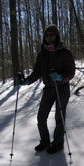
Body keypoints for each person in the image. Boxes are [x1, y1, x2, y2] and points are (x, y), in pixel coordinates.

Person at [19, 24, 75, 154]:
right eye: (47, 36)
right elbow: (37, 72)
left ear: (57, 37)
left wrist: (60, 77)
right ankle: (44, 141)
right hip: (49, 88)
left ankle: (58, 144)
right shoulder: (42, 54)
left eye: (52, 36)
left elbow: (71, 73)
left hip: (62, 88)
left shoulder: (65, 53)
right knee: (41, 117)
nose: (49, 39)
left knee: (59, 118)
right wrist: (27, 80)